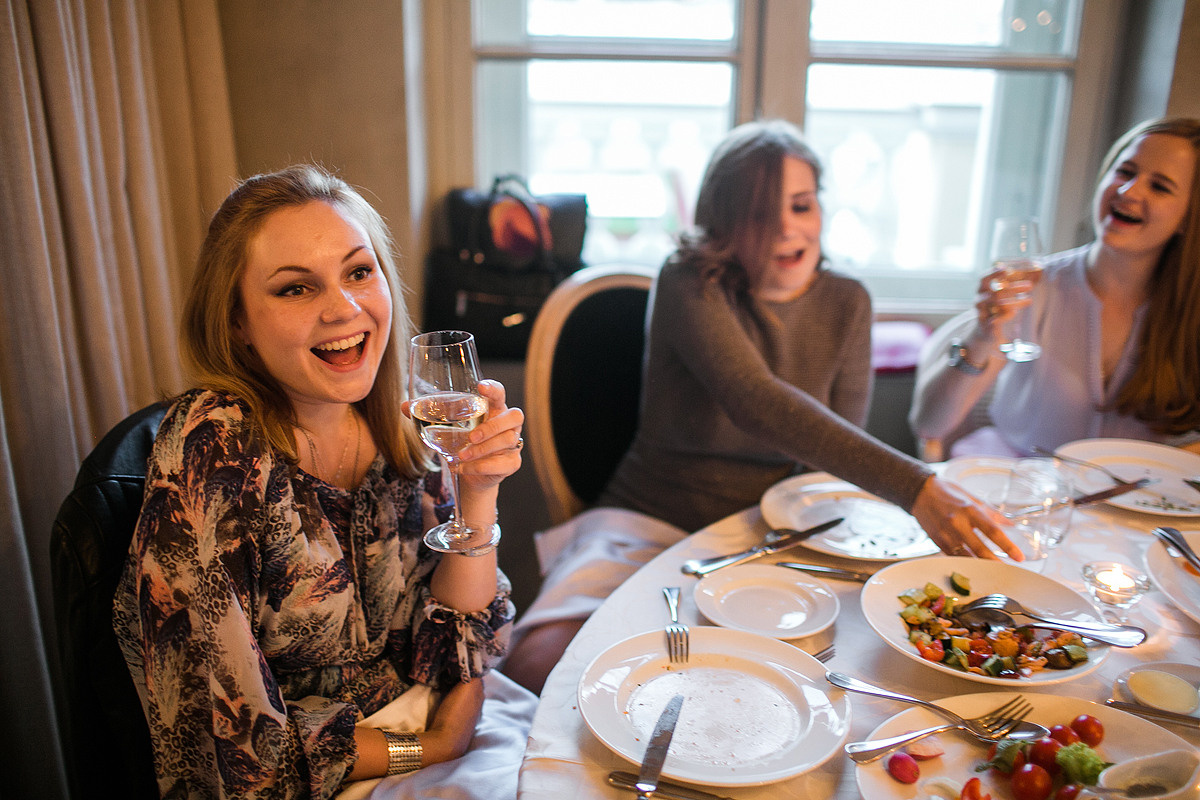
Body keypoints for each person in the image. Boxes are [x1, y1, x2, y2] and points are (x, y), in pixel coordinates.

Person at [501, 119, 1019, 695]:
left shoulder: (848, 300)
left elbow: (829, 456)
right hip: (651, 517)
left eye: (802, 205)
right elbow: (755, 400)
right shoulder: (689, 279)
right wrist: (917, 486)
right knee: (534, 666)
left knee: (793, 683)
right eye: (761, 212)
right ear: (723, 224)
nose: (787, 228)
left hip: (775, 534)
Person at [112, 165, 534, 799]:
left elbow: (452, 648)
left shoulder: (396, 420)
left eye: (359, 272)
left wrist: (476, 493)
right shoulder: (213, 450)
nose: (344, 308)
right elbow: (231, 747)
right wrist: (426, 746)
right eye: (295, 289)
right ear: (236, 324)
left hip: (435, 729)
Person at [910, 117, 1200, 459]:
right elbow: (929, 425)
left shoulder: (1191, 314)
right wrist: (983, 337)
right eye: (1125, 171)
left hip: (1129, 505)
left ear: (1188, 217)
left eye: (1160, 186)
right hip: (1019, 492)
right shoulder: (1032, 287)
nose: (1129, 191)